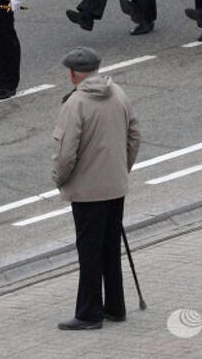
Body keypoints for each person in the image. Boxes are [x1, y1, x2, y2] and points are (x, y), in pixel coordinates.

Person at [52, 46, 141, 330]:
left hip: (88, 190)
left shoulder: (75, 104)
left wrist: (59, 178)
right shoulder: (119, 93)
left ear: (72, 74)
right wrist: (121, 169)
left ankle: (89, 312)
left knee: (89, 251)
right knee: (110, 246)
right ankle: (115, 307)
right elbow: (134, 135)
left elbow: (67, 153)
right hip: (115, 185)